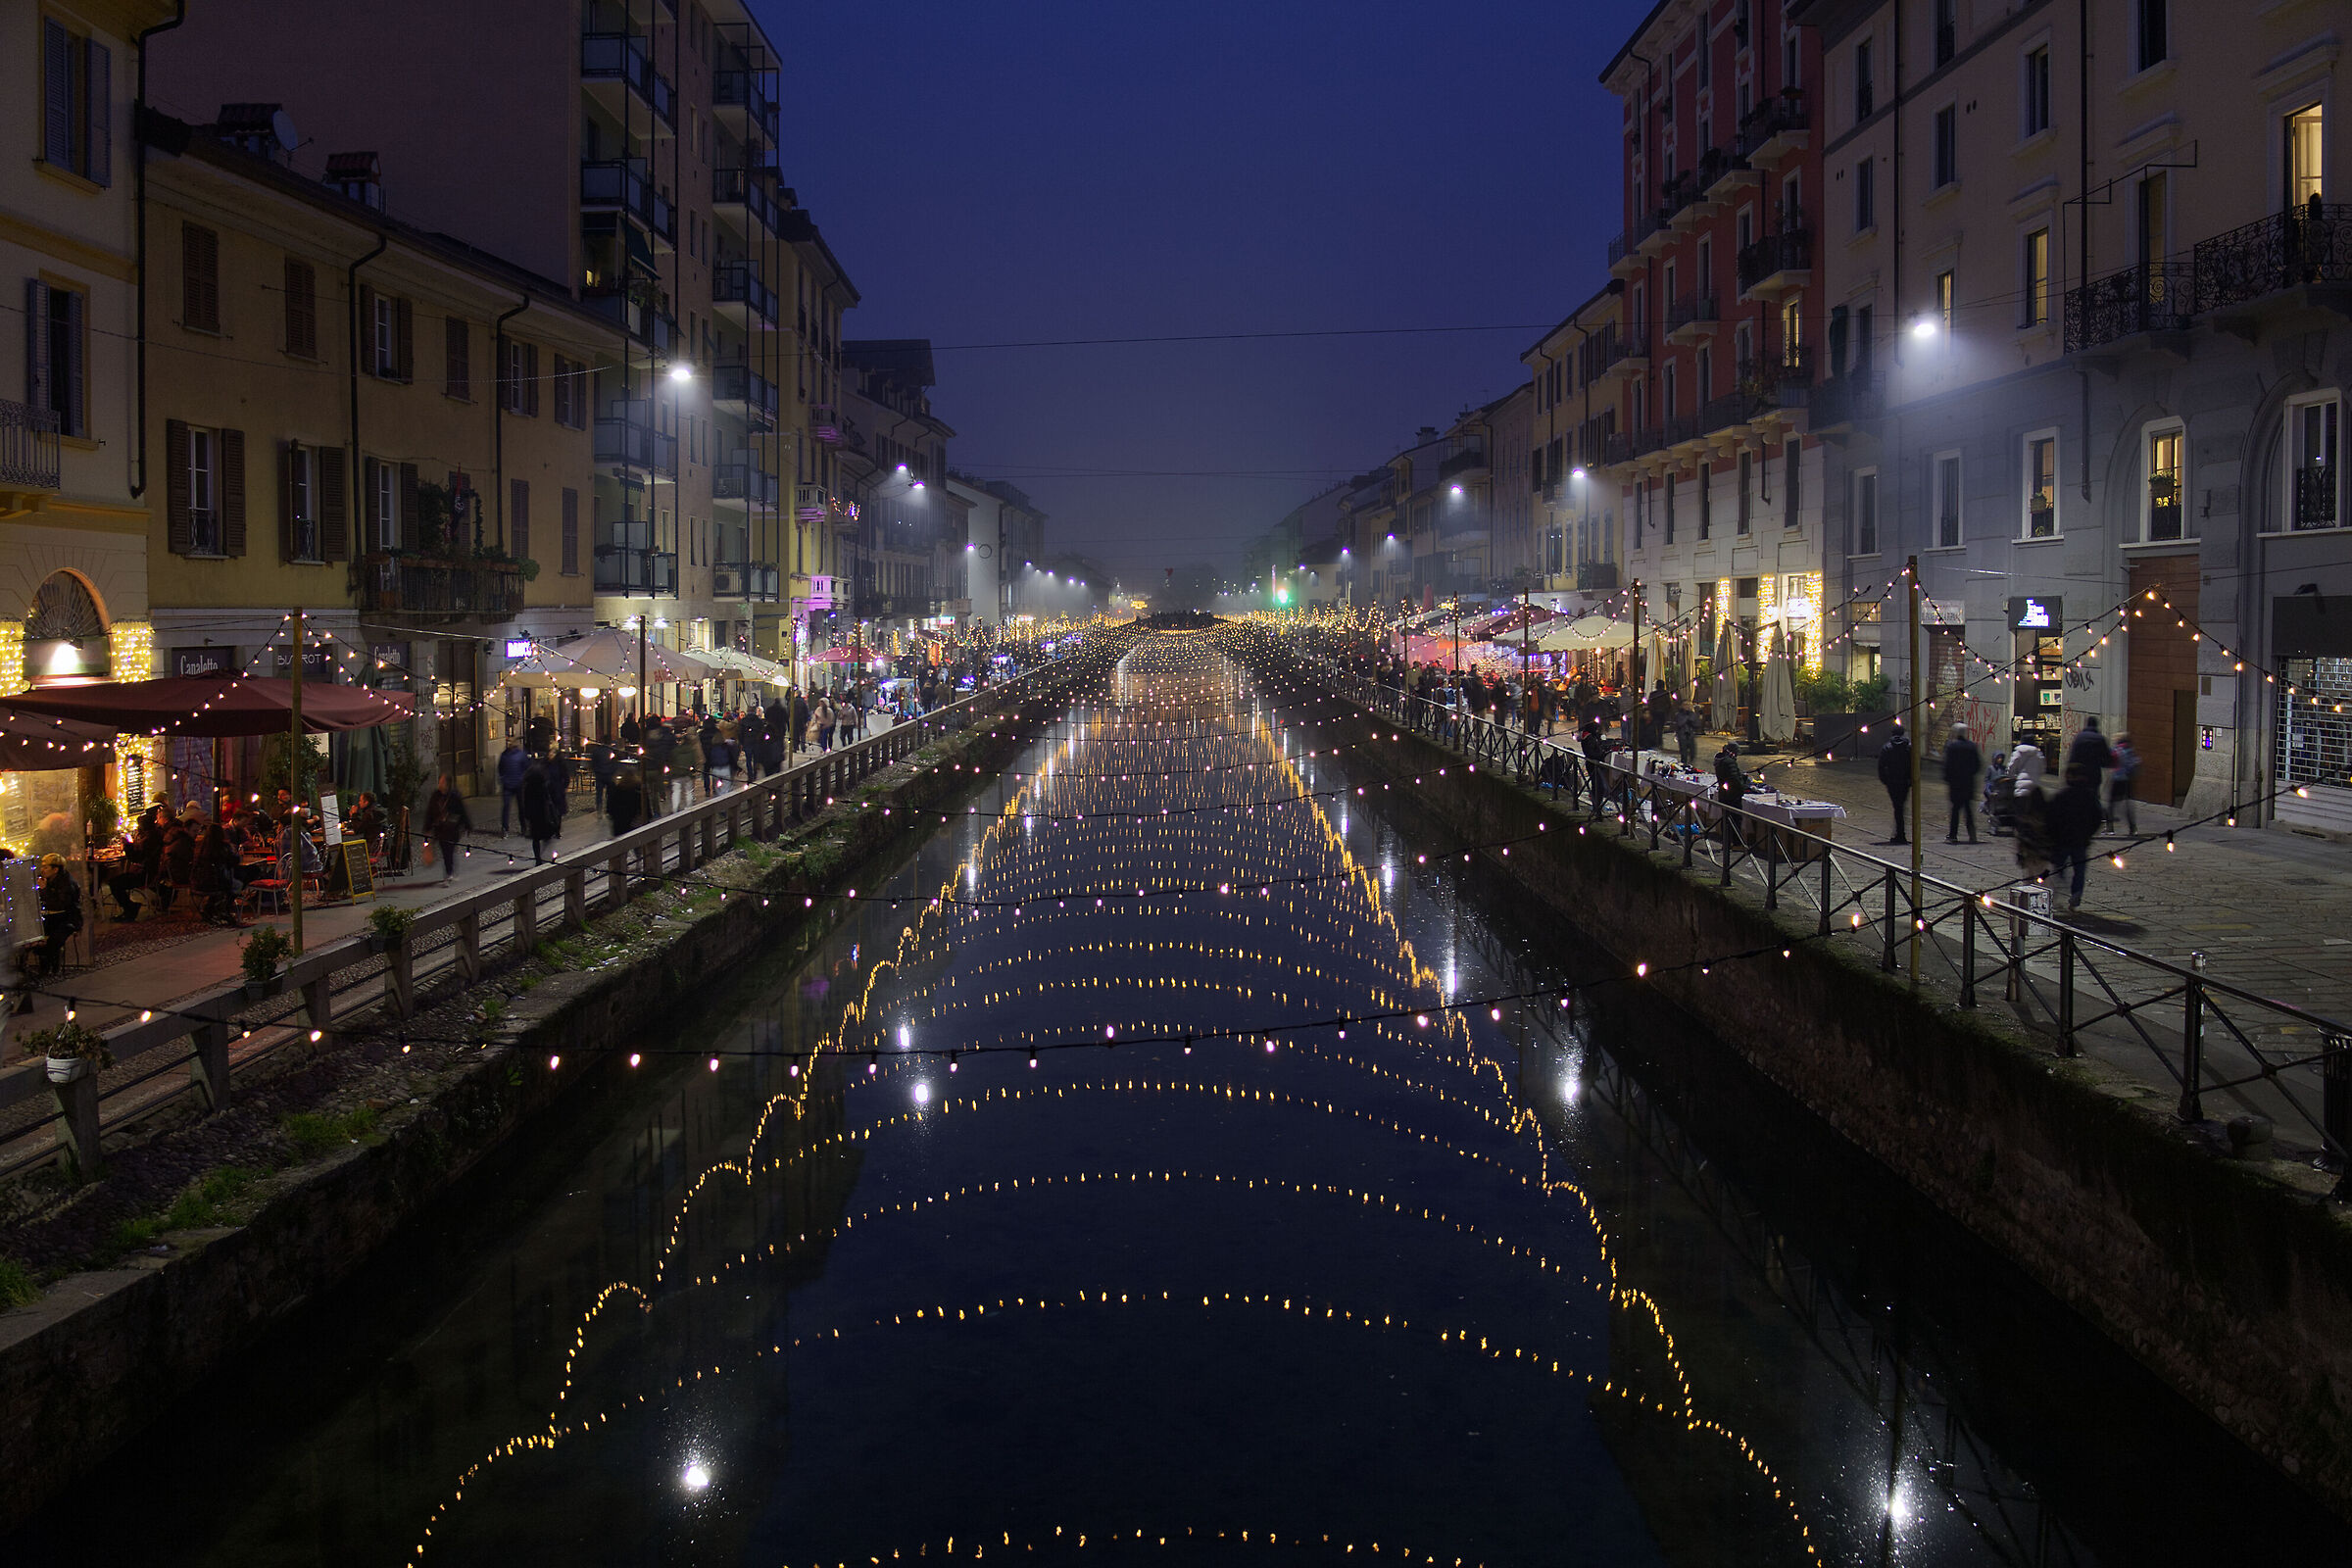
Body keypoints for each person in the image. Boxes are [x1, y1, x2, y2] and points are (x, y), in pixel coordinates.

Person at [2047, 762, 2104, 911]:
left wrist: (2052, 836)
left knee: (2058, 869)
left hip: (2062, 841)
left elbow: (2050, 818)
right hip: (2081, 840)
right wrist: (2088, 833)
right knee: (2079, 870)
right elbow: (2097, 818)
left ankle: (2059, 892)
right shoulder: (2090, 796)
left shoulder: (2061, 796)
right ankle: (2075, 896)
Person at [36, 853, 80, 977]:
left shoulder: (67, 883)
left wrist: (44, 890)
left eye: (46, 867)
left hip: (66, 918)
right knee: (35, 938)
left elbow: (60, 905)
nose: (42, 870)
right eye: (42, 867)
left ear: (55, 869)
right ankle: (46, 961)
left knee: (53, 940)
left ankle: (50, 963)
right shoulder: (44, 879)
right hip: (48, 917)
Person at [424, 773, 470, 886]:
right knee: (446, 851)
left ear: (447, 784)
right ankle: (450, 871)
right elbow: (430, 812)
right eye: (439, 782)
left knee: (449, 850)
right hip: (440, 829)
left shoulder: (454, 796)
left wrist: (467, 825)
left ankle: (449, 873)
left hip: (452, 829)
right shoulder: (436, 796)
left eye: (442, 782)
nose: (440, 784)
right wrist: (427, 827)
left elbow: (462, 812)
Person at [1941, 721, 1984, 844]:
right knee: (1968, 810)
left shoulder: (1951, 747)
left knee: (1955, 810)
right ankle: (1972, 835)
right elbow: (1977, 765)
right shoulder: (1972, 746)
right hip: (1968, 783)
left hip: (1955, 784)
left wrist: (1948, 778)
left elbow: (1947, 766)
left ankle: (1953, 835)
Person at [1876, 719, 1914, 844]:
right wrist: (1911, 780)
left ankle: (1900, 834)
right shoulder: (1909, 747)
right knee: (1901, 807)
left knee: (1898, 807)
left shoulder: (1887, 747)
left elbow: (1881, 766)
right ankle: (1900, 833)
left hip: (1892, 782)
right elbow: (1915, 765)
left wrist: (1885, 781)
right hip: (1905, 782)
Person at [518, 757, 559, 864]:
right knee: (546, 835)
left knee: (536, 838)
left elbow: (525, 802)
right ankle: (544, 856)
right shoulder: (542, 786)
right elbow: (548, 800)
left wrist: (526, 815)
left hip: (533, 815)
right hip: (542, 814)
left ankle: (538, 858)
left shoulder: (528, 787)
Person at [2107, 732, 2141, 834]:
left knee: (2111, 804)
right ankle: (2132, 827)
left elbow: (2110, 762)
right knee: (2128, 806)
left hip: (2117, 779)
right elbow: (2136, 763)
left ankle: (2110, 828)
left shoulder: (2116, 750)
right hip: (2128, 780)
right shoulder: (2131, 750)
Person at [495, 741, 527, 835]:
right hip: (508, 784)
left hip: (518, 784)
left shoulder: (520, 755)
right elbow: (500, 768)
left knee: (521, 807)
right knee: (506, 807)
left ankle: (523, 827)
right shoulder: (504, 755)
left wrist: (522, 779)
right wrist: (503, 779)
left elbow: (526, 767)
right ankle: (505, 828)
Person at [669, 721, 703, 812]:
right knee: (688, 791)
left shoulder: (674, 749)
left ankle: (675, 809)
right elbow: (696, 759)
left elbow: (670, 760)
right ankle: (689, 808)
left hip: (676, 773)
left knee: (676, 791)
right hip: (688, 772)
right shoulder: (691, 748)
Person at [607, 767, 646, 838]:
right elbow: (645, 807)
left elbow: (610, 807)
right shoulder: (639, 790)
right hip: (635, 823)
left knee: (621, 845)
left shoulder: (617, 789)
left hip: (619, 823)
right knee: (638, 845)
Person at [587, 738, 615, 813]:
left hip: (599, 774)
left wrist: (595, 770)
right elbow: (614, 762)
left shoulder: (596, 750)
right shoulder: (611, 750)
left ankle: (599, 808)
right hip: (609, 774)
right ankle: (609, 808)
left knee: (599, 793)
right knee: (610, 792)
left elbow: (593, 762)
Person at [1672, 700, 1703, 768]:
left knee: (1693, 752)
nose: (1687, 706)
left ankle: (1691, 765)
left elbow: (1697, 724)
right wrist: (1687, 719)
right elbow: (1679, 724)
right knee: (1684, 753)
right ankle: (1684, 765)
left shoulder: (1693, 714)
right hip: (1682, 735)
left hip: (1690, 735)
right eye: (1685, 704)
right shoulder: (1679, 714)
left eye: (1689, 704)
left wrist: (1692, 721)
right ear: (1682, 706)